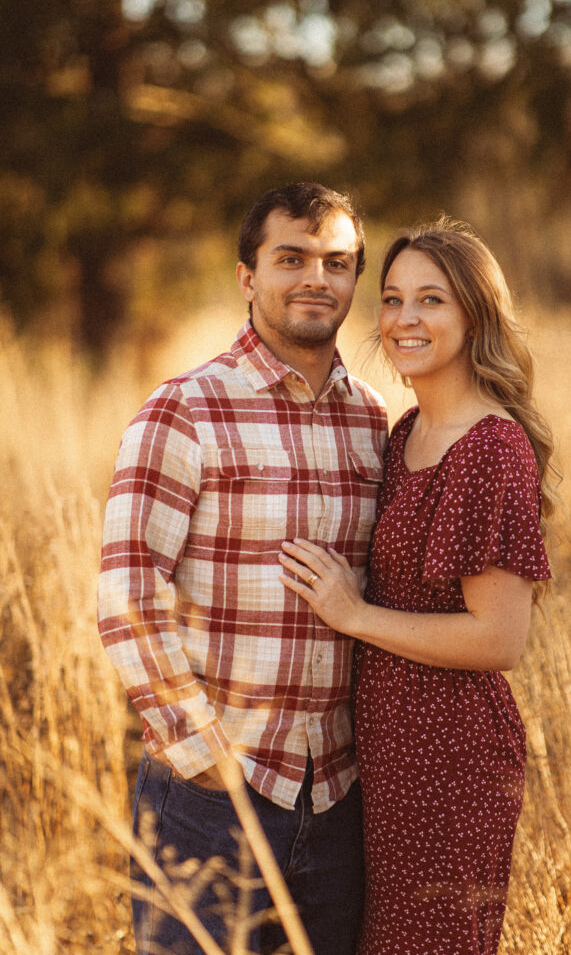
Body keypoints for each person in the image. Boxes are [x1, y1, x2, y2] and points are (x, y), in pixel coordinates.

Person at [97, 182, 387, 955]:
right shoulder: (186, 409)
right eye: (290, 258)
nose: (315, 280)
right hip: (210, 796)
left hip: (335, 799)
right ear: (246, 276)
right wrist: (206, 758)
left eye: (336, 262)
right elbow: (127, 596)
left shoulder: (373, 420)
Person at [279, 218, 555, 955]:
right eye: (393, 299)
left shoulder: (489, 448)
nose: (404, 319)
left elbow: (498, 638)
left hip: (451, 755)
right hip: (387, 751)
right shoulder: (405, 435)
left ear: (473, 314)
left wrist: (353, 613)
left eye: (430, 300)